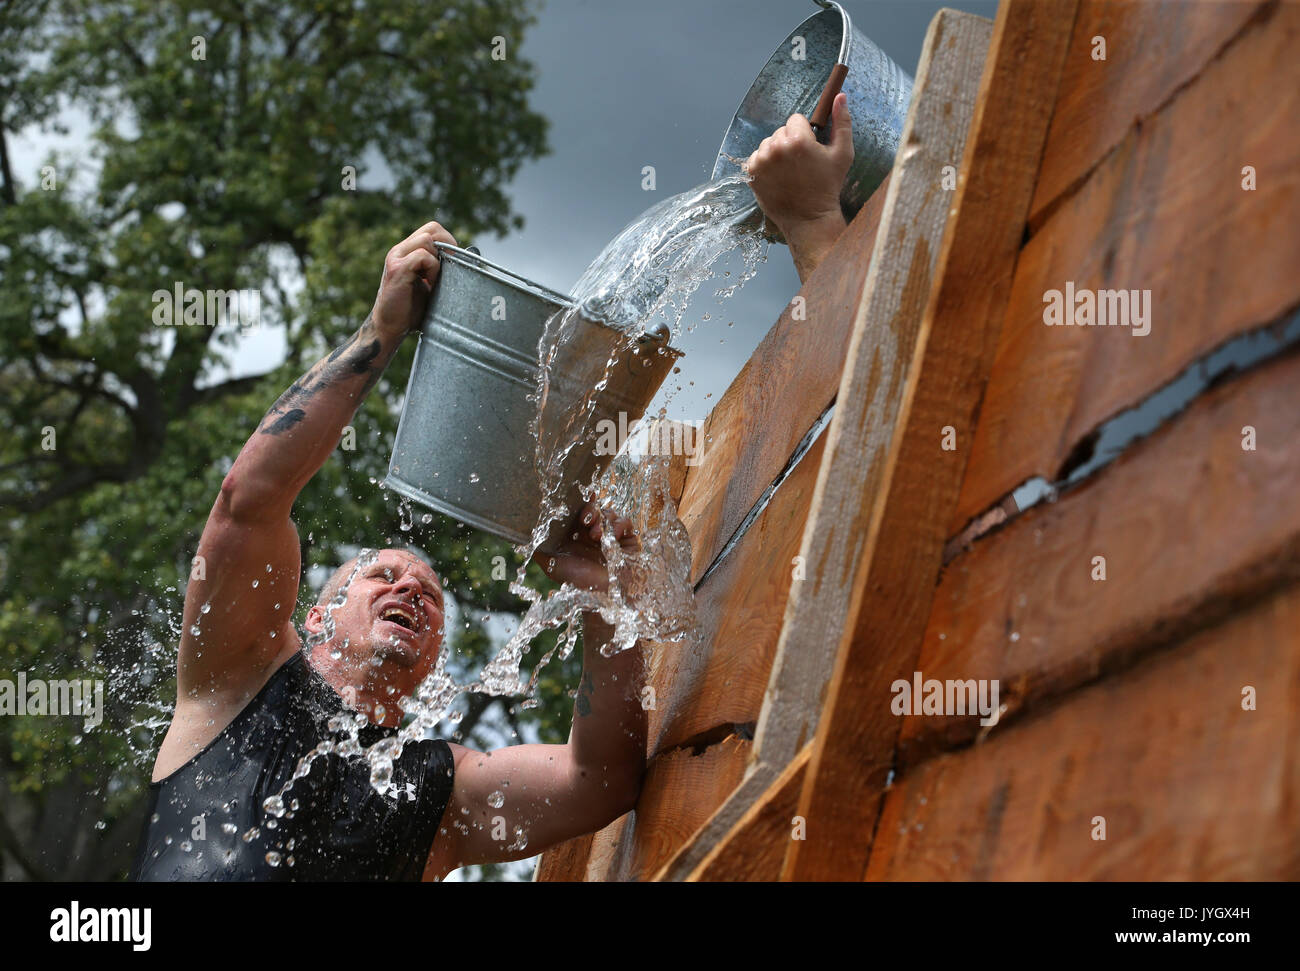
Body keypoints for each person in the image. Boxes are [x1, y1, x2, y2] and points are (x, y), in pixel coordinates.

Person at [131, 94, 855, 882]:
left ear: (436, 653)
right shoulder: (235, 683)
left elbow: (600, 781)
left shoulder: (442, 791)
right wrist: (381, 334)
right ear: (314, 616)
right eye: (379, 574)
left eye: (430, 593)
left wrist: (598, 596)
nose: (410, 586)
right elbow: (248, 500)